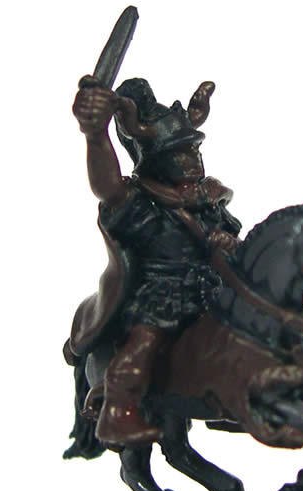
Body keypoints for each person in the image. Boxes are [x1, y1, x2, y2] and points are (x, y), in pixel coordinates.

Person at [64, 76, 241, 447]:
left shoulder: (208, 201)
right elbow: (106, 186)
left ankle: (244, 396)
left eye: (193, 151)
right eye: (179, 155)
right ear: (157, 162)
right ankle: (117, 411)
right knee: (145, 342)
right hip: (161, 294)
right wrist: (95, 136)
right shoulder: (141, 205)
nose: (191, 161)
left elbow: (230, 241)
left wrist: (232, 245)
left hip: (211, 288)